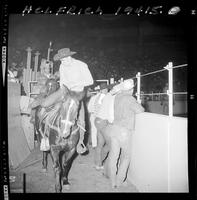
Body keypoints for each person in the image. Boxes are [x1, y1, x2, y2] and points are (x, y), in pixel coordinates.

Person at [40, 48, 94, 153]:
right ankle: (44, 135)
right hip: (65, 90)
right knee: (45, 103)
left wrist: (75, 84)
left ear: (69, 57)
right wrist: (64, 89)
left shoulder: (81, 65)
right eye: (60, 60)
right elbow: (62, 82)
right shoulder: (62, 66)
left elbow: (90, 80)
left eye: (63, 60)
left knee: (81, 118)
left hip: (77, 93)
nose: (61, 62)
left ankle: (80, 143)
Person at [96, 79, 145, 188]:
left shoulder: (117, 97)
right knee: (126, 157)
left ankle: (113, 182)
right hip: (124, 132)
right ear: (131, 89)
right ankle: (119, 181)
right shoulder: (130, 99)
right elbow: (140, 110)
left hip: (114, 130)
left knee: (114, 157)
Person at [87, 83, 108, 169]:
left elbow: (89, 108)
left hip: (94, 116)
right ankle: (97, 148)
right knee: (97, 133)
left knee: (94, 131)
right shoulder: (104, 97)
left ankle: (95, 146)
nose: (106, 91)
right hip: (99, 118)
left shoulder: (94, 97)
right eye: (105, 89)